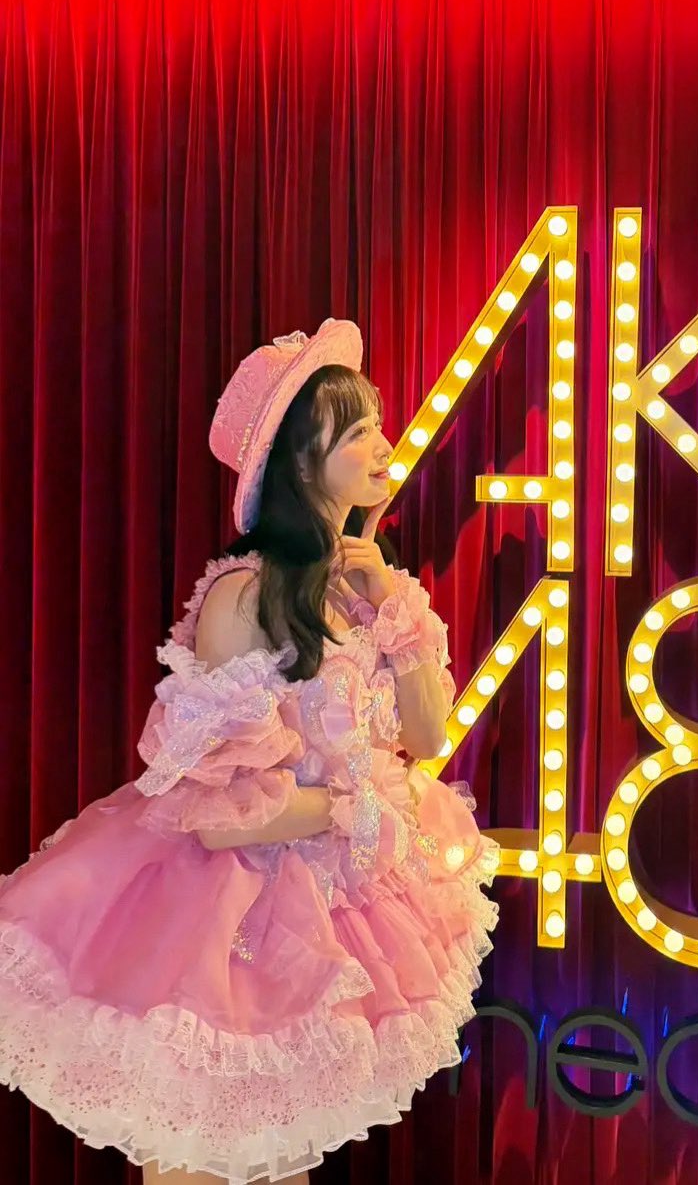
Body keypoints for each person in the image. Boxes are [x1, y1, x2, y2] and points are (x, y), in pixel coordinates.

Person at [0, 318, 499, 1184]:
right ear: (300, 463)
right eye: (358, 432)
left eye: (378, 423)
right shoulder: (245, 595)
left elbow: (426, 738)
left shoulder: (367, 588)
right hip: (228, 915)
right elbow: (219, 811)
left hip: (333, 906)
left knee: (280, 1158)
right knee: (209, 1156)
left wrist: (396, 608)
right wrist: (354, 807)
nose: (385, 445)